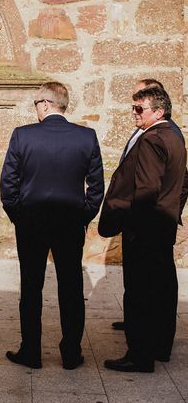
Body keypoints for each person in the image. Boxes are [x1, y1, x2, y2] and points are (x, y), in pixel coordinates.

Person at [0, 82, 104, 370]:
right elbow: (96, 187)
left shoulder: (23, 136)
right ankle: (71, 353)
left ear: (45, 103)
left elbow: (8, 184)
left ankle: (31, 351)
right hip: (70, 222)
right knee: (71, 286)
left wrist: (18, 216)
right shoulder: (86, 137)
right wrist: (83, 216)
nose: (35, 108)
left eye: (35, 103)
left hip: (31, 221)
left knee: (30, 287)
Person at [100, 87, 188, 372]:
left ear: (159, 111)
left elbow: (147, 189)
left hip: (145, 229)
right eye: (133, 108)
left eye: (140, 109)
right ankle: (158, 346)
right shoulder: (173, 135)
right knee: (157, 289)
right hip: (161, 225)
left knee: (138, 293)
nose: (134, 113)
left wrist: (134, 225)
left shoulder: (151, 139)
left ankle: (139, 355)